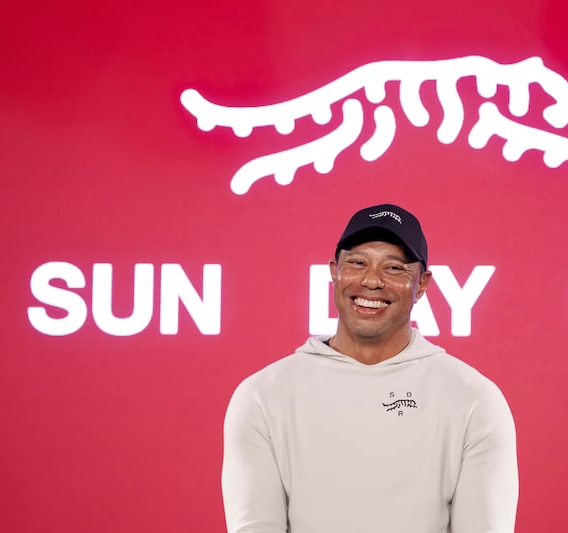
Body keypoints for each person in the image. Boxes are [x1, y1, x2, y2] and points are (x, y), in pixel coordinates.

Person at [222, 203, 518, 533]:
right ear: (334, 272)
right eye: (358, 263)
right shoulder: (263, 395)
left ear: (422, 284)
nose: (372, 281)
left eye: (394, 268)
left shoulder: (473, 398)